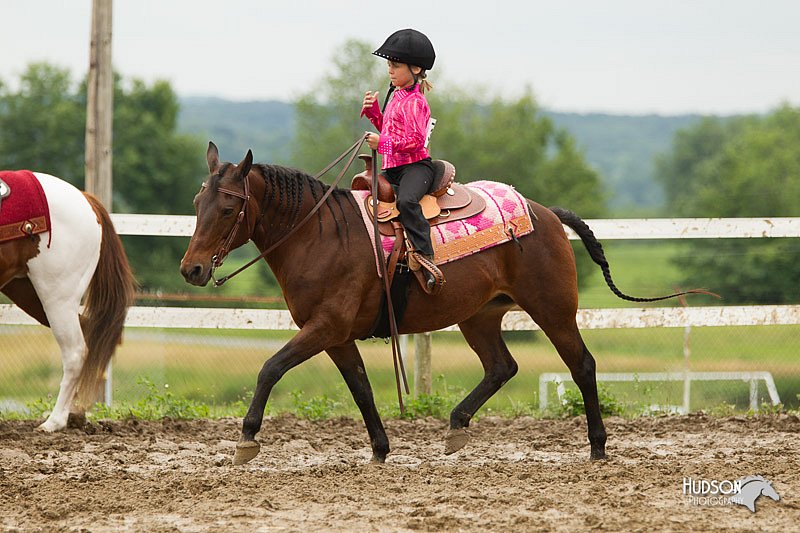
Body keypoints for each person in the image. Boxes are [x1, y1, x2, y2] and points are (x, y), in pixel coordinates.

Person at [361, 28, 438, 291]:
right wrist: (374, 113)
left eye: (395, 65)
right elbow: (390, 130)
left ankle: (425, 255)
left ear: (415, 68)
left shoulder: (416, 102)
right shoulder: (395, 97)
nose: (390, 71)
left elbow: (415, 141)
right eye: (388, 65)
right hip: (393, 168)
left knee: (406, 201)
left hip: (415, 167)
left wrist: (380, 143)